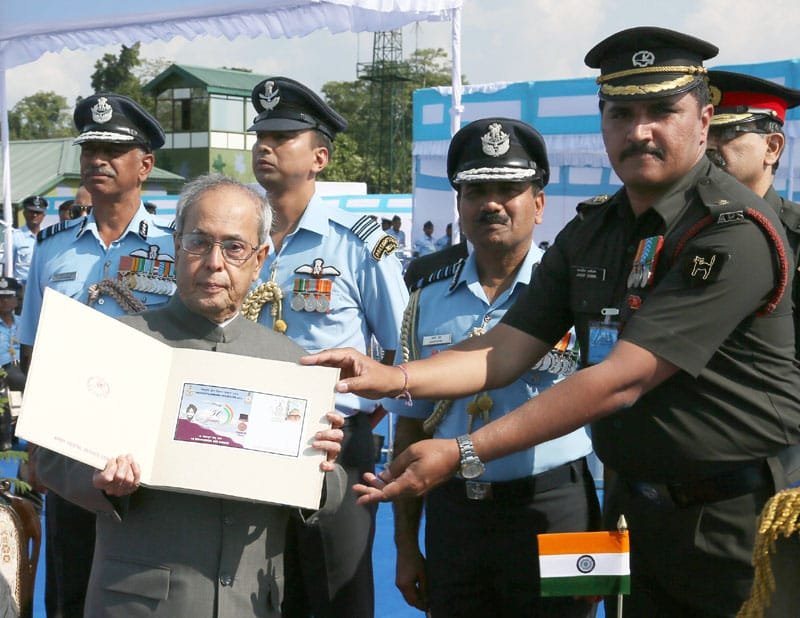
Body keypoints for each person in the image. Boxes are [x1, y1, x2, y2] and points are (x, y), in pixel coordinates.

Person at [303, 27, 800, 617]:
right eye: (621, 113)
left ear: (702, 119)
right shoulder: (595, 230)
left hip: (732, 523)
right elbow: (505, 346)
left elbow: (621, 379)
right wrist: (392, 378)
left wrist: (463, 451)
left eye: (663, 110)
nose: (640, 131)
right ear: (603, 122)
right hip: (635, 512)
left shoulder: (731, 231)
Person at [32, 174, 347, 617]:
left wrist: (324, 468)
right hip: (139, 604)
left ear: (258, 261)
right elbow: (51, 456)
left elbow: (328, 492)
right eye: (199, 243)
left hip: (251, 604)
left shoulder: (294, 365)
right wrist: (99, 480)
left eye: (234, 248)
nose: (215, 262)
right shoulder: (118, 343)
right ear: (177, 247)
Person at [391, 117, 598, 618]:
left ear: (539, 204)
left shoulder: (576, 292)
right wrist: (403, 548)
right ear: (459, 205)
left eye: (509, 189)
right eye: (476, 190)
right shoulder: (424, 293)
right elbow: (412, 423)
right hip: (457, 513)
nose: (492, 204)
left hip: (558, 506)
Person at [244, 76, 408, 618]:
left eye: (283, 136)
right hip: (250, 439)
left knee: (338, 595)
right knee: (263, 591)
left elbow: (401, 343)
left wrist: (365, 412)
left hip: (330, 447)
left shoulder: (359, 240)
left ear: (319, 156)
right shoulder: (242, 239)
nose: (265, 146)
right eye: (261, 135)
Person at [20, 92, 177, 618]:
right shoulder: (52, 249)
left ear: (145, 165)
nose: (97, 161)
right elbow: (31, 350)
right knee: (70, 583)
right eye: (91, 150)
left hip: (146, 443)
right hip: (71, 444)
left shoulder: (179, 248)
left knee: (149, 585)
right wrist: (35, 445)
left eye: (113, 150)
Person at [706, 70, 800, 355]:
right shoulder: (676, 223)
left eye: (726, 132)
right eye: (703, 133)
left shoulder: (795, 234)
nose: (709, 146)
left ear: (772, 147)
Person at [13, 195, 47, 287]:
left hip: (43, 286)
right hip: (21, 288)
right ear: (24, 213)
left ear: (43, 215)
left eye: (38, 212)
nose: (34, 215)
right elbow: (6, 266)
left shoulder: (48, 236)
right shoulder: (14, 237)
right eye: (31, 212)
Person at [0, 277, 25, 392]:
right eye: (1, 297)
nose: (4, 301)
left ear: (17, 299)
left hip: (24, 368)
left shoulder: (24, 324)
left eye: (9, 296)